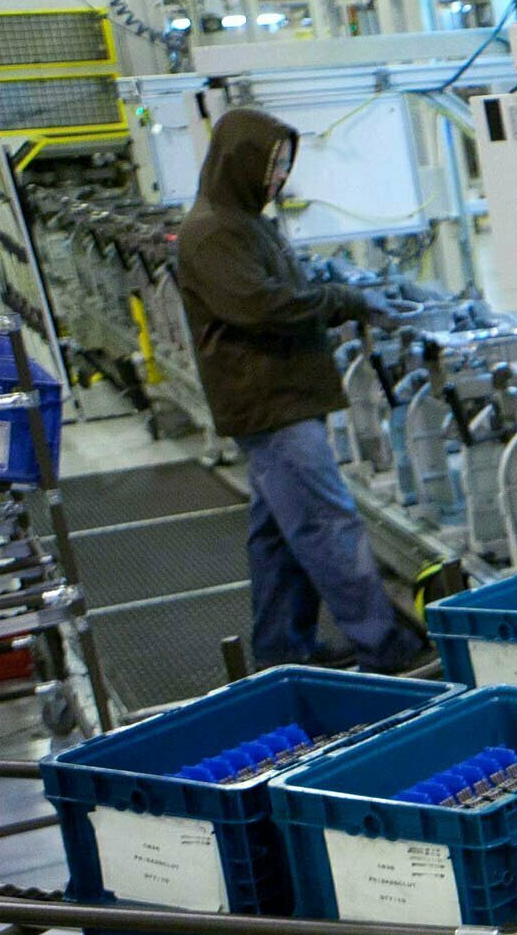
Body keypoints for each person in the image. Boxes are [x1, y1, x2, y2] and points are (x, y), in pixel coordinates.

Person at [175, 107, 430, 673]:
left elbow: (281, 293)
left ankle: (282, 650)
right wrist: (346, 301)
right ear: (240, 163)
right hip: (273, 406)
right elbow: (263, 305)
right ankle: (384, 647)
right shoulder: (213, 232)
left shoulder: (245, 222)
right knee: (326, 526)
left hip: (281, 399)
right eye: (272, 165)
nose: (279, 178)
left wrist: (340, 295)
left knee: (277, 539)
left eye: (285, 166)